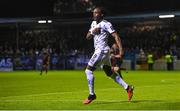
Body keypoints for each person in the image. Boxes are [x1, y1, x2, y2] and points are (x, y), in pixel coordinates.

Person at [83, 7, 134, 105]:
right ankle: (128, 88)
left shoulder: (106, 24)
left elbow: (116, 36)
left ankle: (91, 94)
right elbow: (87, 37)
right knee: (109, 72)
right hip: (102, 51)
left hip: (101, 51)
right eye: (93, 13)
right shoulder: (93, 24)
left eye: (96, 13)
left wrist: (121, 50)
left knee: (88, 70)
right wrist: (93, 31)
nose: (94, 14)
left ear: (101, 14)